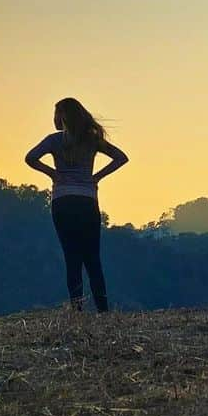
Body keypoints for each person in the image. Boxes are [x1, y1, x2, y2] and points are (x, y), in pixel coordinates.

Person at [25, 98, 128, 312]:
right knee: (92, 258)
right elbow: (120, 157)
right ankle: (103, 310)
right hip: (86, 201)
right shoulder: (91, 140)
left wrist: (52, 173)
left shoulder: (53, 141)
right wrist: (96, 177)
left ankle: (77, 310)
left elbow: (30, 158)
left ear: (61, 116)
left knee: (71, 258)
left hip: (62, 202)